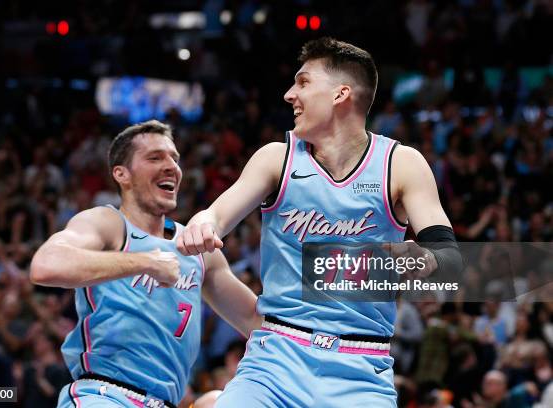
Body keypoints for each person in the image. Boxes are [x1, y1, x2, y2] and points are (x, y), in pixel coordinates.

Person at [177, 37, 462, 406]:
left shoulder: (401, 164)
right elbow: (216, 214)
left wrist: (413, 259)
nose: (289, 94)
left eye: (303, 82)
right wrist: (202, 224)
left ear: (341, 94)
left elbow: (449, 259)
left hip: (360, 368)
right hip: (275, 360)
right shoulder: (275, 158)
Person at [30, 120, 261, 408]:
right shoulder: (108, 224)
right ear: (122, 174)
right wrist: (145, 262)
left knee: (217, 401)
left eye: (174, 159)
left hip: (164, 403)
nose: (171, 167)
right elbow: (46, 265)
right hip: (106, 395)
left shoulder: (198, 249)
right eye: (155, 158)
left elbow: (256, 321)